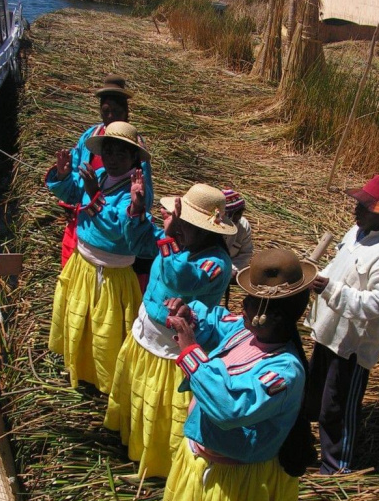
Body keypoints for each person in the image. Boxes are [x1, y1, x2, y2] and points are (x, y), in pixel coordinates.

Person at [160, 248, 318, 501]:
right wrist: (191, 312)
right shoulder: (247, 332)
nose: (241, 306)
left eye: (248, 301)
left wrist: (190, 351)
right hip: (201, 461)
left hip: (234, 481)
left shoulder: (283, 372)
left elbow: (229, 408)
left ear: (264, 315)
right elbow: (218, 319)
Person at [104, 184, 235, 478]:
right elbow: (139, 243)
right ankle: (131, 443)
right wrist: (137, 211)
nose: (179, 226)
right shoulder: (178, 242)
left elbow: (181, 281)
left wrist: (170, 236)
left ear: (205, 229)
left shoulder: (216, 263)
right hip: (145, 337)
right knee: (138, 396)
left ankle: (157, 466)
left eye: (186, 222)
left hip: (172, 353)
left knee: (160, 414)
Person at [304, 175, 379, 475]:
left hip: (352, 345)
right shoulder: (357, 232)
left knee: (337, 407)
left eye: (364, 205)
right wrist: (316, 276)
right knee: (316, 394)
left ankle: (338, 465)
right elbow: (338, 267)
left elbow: (377, 305)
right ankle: (308, 444)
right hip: (329, 330)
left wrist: (329, 290)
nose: (356, 209)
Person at [46, 121, 159, 395]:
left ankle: (105, 381)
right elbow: (74, 191)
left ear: (134, 158)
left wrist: (97, 194)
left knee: (105, 330)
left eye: (122, 154)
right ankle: (80, 368)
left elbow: (122, 230)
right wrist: (62, 175)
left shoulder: (134, 191)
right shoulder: (98, 174)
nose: (114, 159)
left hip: (111, 276)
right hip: (83, 266)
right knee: (81, 320)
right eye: (108, 153)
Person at [52, 75, 153, 286]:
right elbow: (76, 185)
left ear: (126, 113)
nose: (110, 117)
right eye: (106, 111)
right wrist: (62, 176)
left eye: (116, 112)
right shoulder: (91, 135)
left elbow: (137, 205)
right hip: (83, 224)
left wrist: (96, 195)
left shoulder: (134, 147)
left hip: (110, 250)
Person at [222, 187, 254, 307]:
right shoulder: (213, 226)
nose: (239, 217)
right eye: (237, 214)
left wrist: (233, 269)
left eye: (241, 213)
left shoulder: (243, 226)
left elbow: (246, 253)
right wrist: (224, 268)